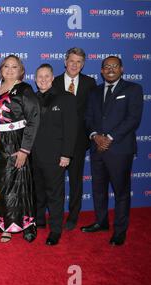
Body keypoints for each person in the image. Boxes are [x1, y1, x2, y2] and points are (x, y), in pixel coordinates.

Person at [81, 56, 143, 246]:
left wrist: (109, 138)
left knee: (121, 192)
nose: (110, 69)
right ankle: (101, 222)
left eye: (114, 66)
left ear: (121, 69)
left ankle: (119, 231)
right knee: (98, 190)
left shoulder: (133, 89)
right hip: (97, 148)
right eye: (106, 66)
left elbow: (133, 119)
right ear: (101, 71)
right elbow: (88, 118)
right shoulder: (94, 92)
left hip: (119, 149)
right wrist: (94, 136)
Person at [0, 55, 40, 243]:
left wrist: (25, 150)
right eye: (6, 66)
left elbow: (33, 119)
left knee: (17, 185)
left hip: (16, 142)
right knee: (0, 184)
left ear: (21, 70)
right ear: (1, 69)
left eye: (14, 67)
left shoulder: (25, 89)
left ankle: (24, 224)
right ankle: (4, 223)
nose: (9, 70)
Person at [32, 64, 77, 245]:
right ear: (35, 80)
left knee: (55, 195)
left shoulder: (65, 98)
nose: (43, 79)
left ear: (52, 78)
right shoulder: (32, 99)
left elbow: (71, 129)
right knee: (38, 193)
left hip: (56, 156)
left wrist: (66, 154)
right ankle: (39, 221)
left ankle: (56, 230)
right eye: (39, 77)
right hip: (34, 155)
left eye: (46, 76)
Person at [53, 47, 97, 230]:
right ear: (65, 62)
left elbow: (93, 113)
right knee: (56, 183)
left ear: (83, 64)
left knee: (76, 182)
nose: (74, 65)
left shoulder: (90, 83)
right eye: (71, 61)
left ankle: (73, 217)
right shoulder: (53, 82)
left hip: (78, 143)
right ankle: (55, 215)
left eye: (79, 62)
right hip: (56, 143)